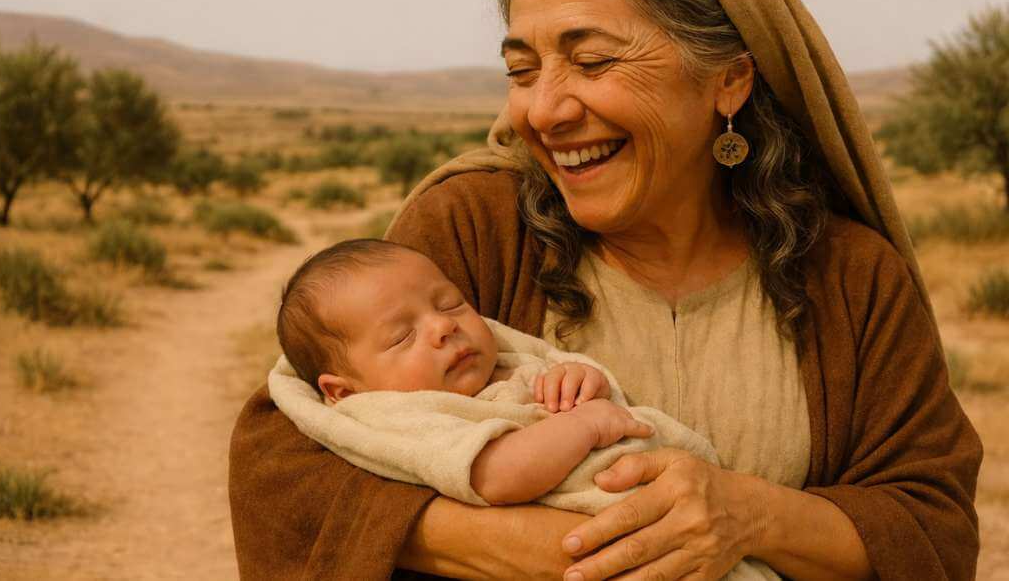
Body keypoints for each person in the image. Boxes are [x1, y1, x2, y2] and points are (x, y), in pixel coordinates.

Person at [229, 0, 983, 579]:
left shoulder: (849, 274)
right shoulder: (471, 226)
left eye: (591, 61)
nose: (544, 110)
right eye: (522, 71)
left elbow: (931, 523)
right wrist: (543, 545)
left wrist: (746, 514)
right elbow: (284, 459)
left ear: (727, 80)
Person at [266, 238, 778, 580]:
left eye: (449, 304)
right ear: (342, 391)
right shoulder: (395, 416)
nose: (444, 327)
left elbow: (555, 386)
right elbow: (499, 474)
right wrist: (587, 423)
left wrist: (578, 379)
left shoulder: (505, 366)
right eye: (402, 335)